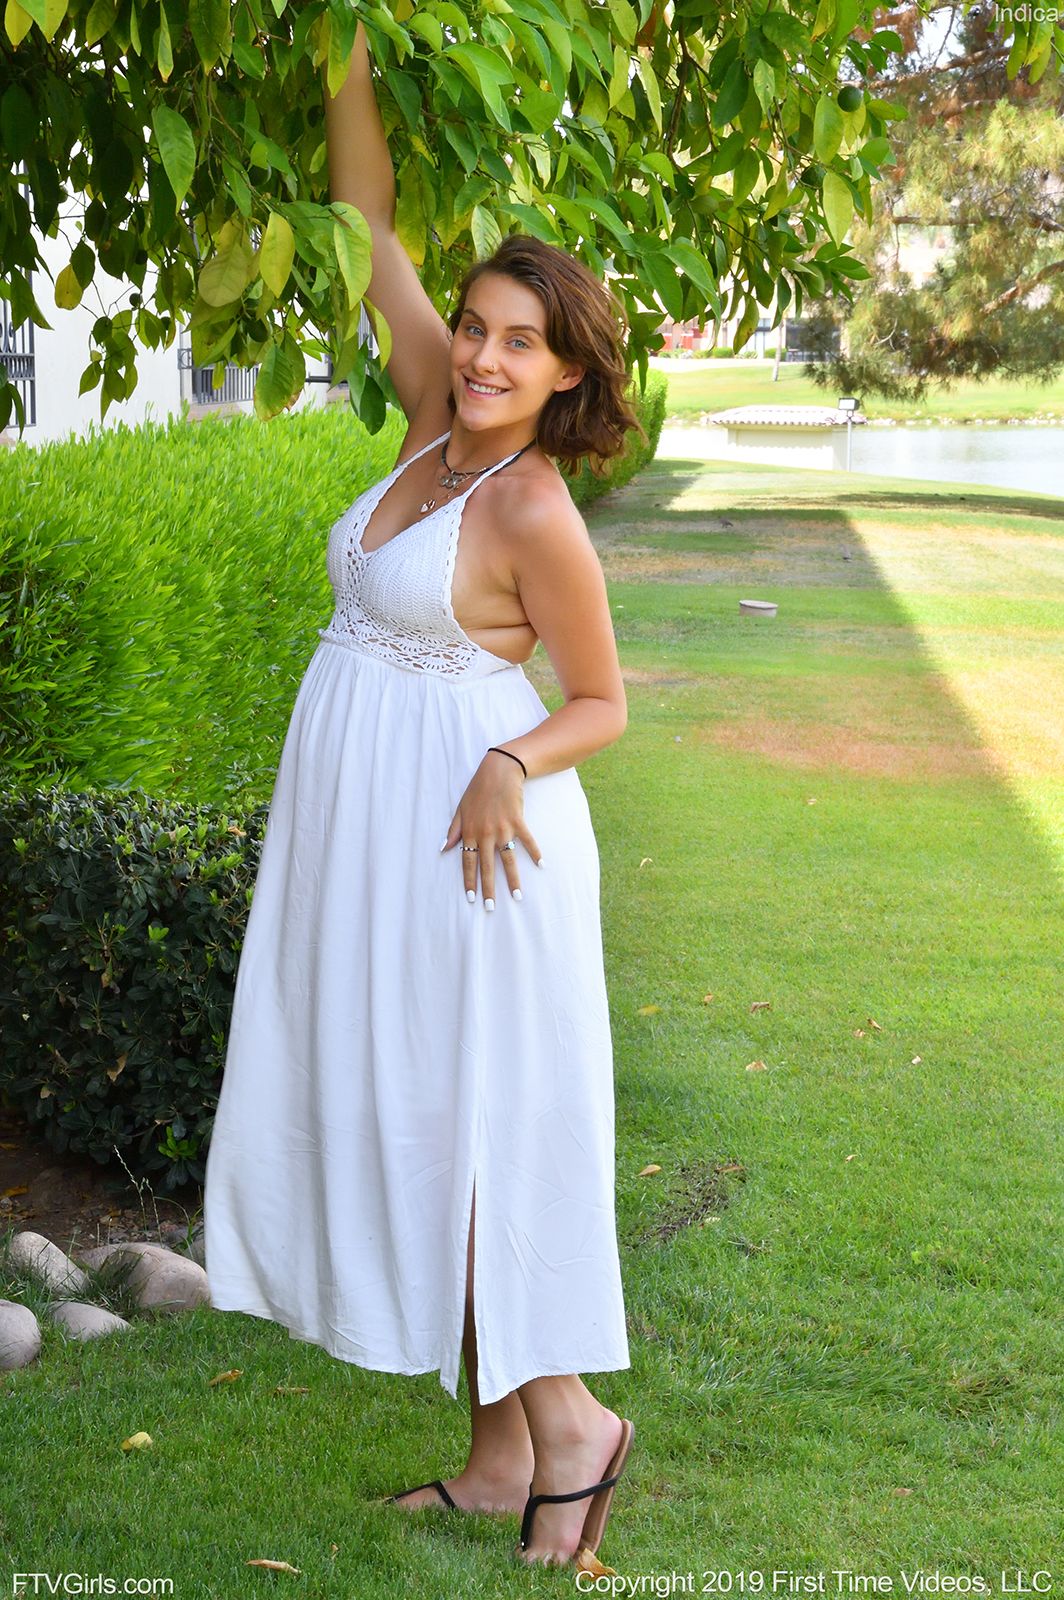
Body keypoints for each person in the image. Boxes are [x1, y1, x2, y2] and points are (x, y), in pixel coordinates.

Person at [203, 20, 639, 1571]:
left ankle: (572, 1428)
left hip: (476, 851)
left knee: (464, 1134)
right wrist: (341, 45)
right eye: (472, 325)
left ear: (568, 369)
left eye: (521, 342)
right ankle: (496, 1457)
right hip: (372, 840)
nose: (483, 356)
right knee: (416, 1118)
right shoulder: (430, 424)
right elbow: (365, 213)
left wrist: (511, 759)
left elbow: (603, 700)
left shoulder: (530, 507)